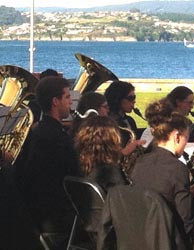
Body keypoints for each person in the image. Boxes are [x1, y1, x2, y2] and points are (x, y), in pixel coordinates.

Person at [131, 99, 194, 247]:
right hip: (170, 240)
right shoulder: (178, 168)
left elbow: (158, 195)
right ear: (177, 136)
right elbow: (187, 226)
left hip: (144, 234)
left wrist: (185, 193)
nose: (186, 142)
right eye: (186, 137)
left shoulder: (141, 161)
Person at [21, 76, 78, 249]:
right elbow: (76, 174)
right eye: (68, 97)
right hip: (56, 220)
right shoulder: (57, 138)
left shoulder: (38, 130)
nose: (71, 103)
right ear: (55, 101)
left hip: (35, 216)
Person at [73, 115, 129, 236]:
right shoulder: (110, 172)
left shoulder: (81, 166)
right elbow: (123, 205)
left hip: (91, 225)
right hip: (113, 229)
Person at [104, 80, 142, 144]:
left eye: (134, 97)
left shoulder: (130, 120)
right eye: (130, 98)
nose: (134, 101)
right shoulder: (109, 123)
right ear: (118, 99)